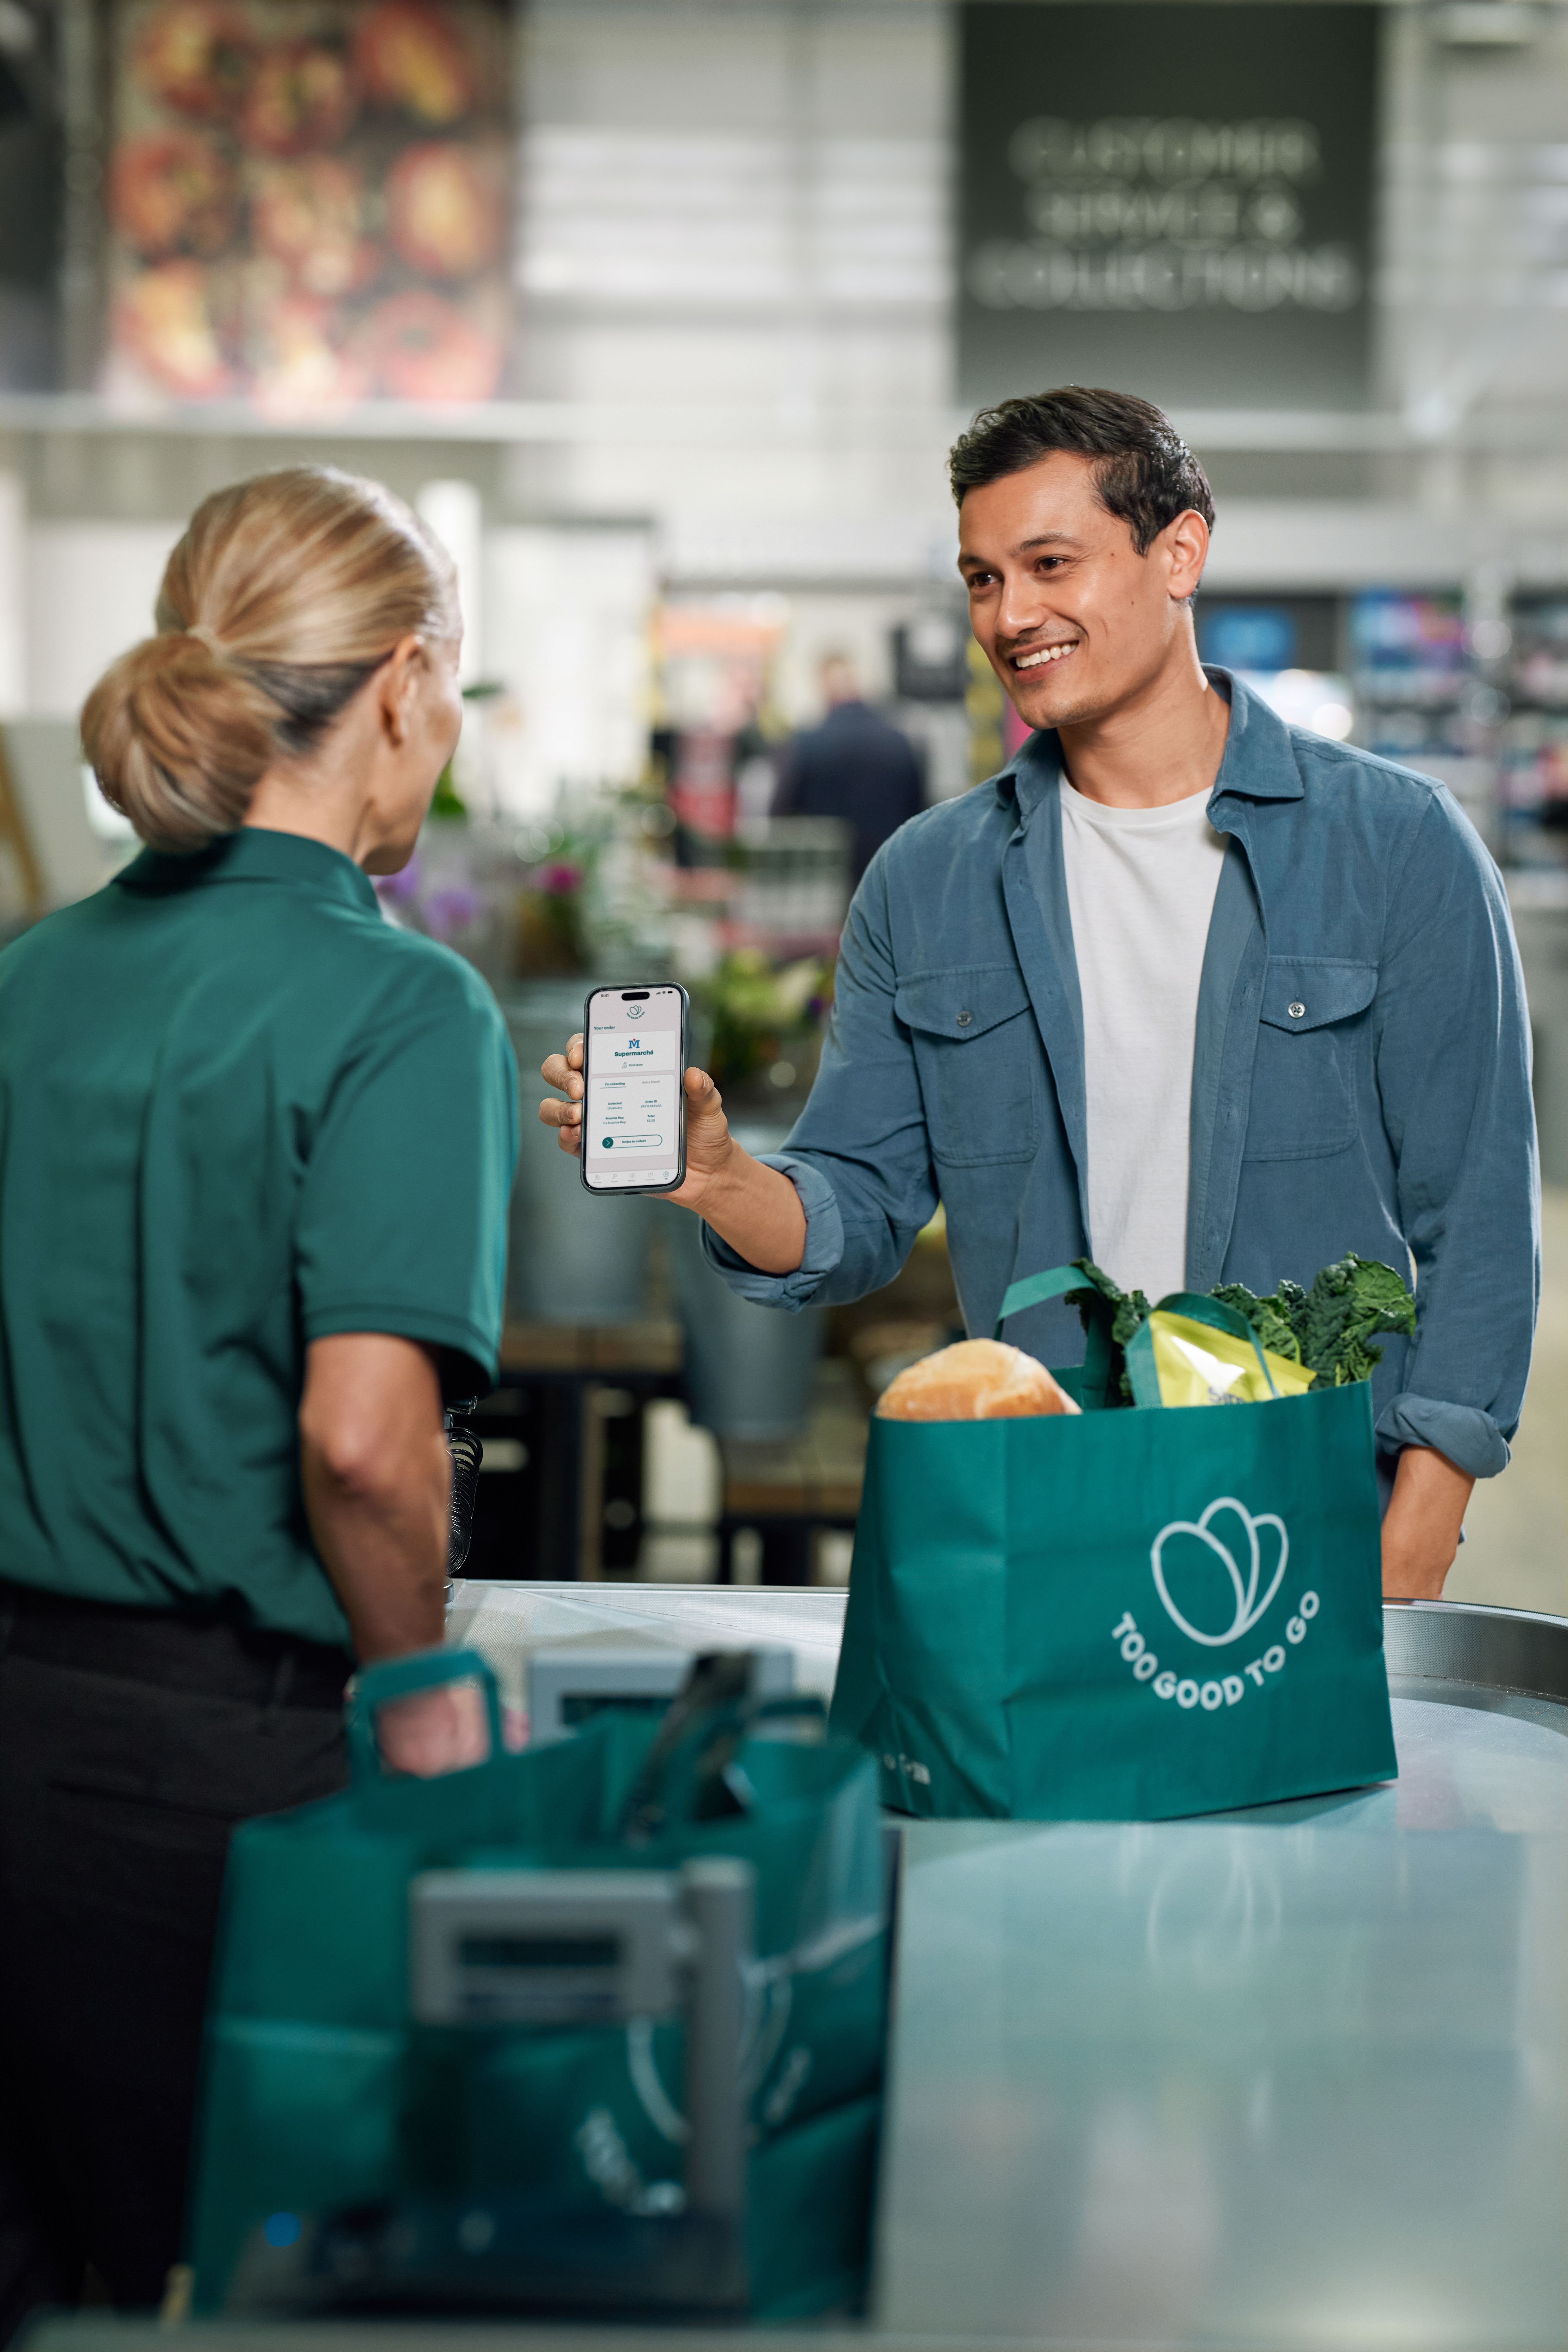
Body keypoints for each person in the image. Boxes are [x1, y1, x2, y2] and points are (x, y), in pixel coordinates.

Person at [542, 389, 1539, 1600]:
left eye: (1049, 564)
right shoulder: (928, 883)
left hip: (1317, 1515)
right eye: (980, 579)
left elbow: (1479, 1225)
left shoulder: (1396, 849)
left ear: (1178, 551)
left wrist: (1411, 1544)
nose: (1011, 617)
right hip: (1039, 1520)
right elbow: (856, 1208)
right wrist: (720, 1181)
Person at [0, 467, 517, 2332]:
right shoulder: (399, 1009)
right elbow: (365, 1439)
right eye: (454, 693)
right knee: (269, 2291)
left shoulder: (25, 981)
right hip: (227, 1791)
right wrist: (425, 1694)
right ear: (398, 682)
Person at [772, 653, 925, 885]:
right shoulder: (898, 741)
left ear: (823, 686)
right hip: (888, 873)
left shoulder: (807, 743)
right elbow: (920, 810)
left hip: (828, 879)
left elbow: (781, 813)